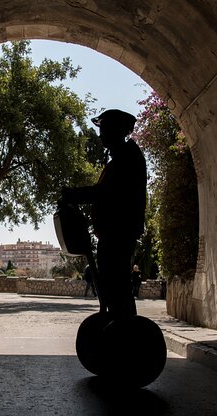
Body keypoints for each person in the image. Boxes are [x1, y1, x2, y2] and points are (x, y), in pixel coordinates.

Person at [61, 109, 147, 317]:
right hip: (113, 233)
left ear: (117, 131)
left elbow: (107, 193)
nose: (100, 135)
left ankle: (125, 331)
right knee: (113, 288)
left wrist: (74, 194)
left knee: (118, 288)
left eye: (105, 130)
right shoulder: (121, 158)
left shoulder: (127, 159)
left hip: (119, 233)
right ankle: (119, 328)